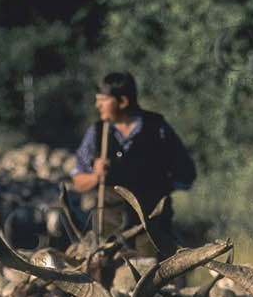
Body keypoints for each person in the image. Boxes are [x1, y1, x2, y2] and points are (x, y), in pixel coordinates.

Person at [71, 71, 196, 236]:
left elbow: (186, 173)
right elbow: (78, 181)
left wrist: (161, 187)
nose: (97, 105)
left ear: (122, 101)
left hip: (153, 230)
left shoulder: (157, 128)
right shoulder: (97, 133)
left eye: (103, 100)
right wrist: (96, 176)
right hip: (110, 233)